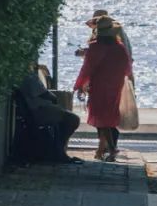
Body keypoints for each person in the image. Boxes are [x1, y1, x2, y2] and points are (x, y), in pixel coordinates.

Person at [74, 15, 132, 161]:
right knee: (109, 115)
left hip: (99, 84)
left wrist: (80, 85)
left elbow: (87, 68)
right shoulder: (119, 47)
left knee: (101, 116)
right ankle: (103, 150)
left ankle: (111, 149)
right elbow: (127, 68)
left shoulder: (95, 47)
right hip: (115, 84)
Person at [15, 64, 81, 163]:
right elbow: (44, 94)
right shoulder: (29, 77)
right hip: (38, 110)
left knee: (64, 116)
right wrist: (54, 98)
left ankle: (58, 150)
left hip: (35, 109)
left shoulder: (23, 75)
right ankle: (59, 151)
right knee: (72, 119)